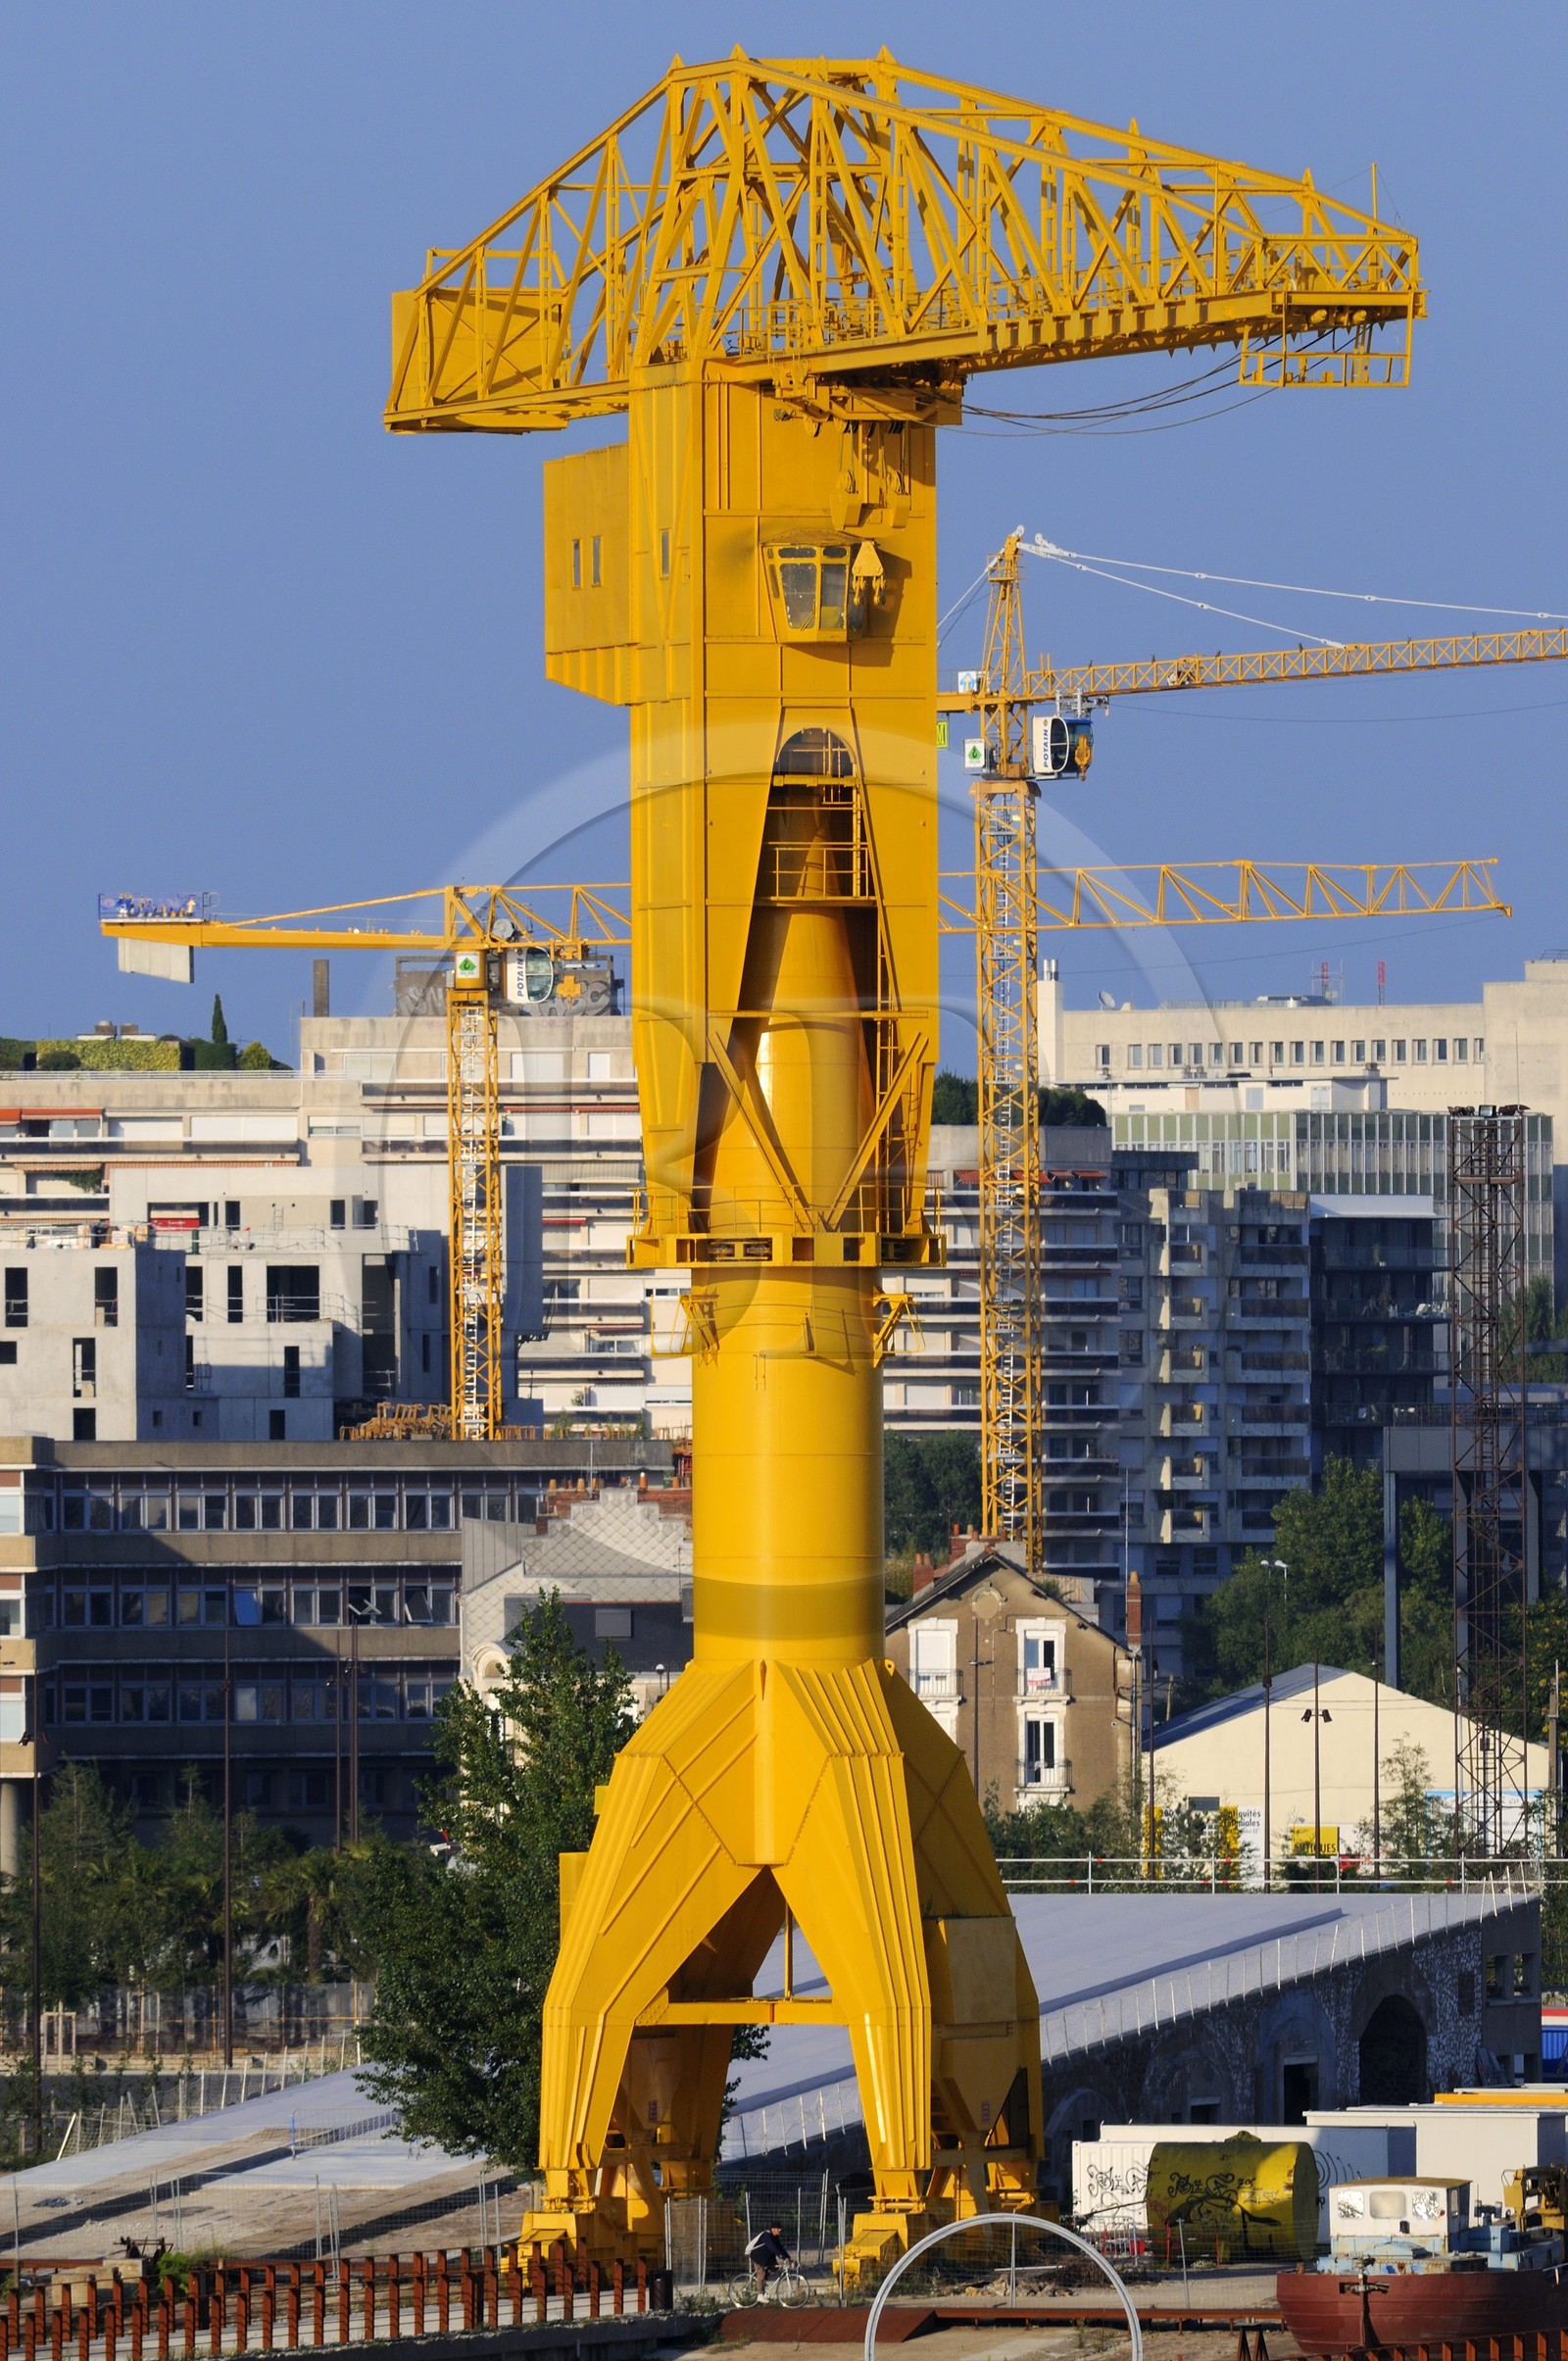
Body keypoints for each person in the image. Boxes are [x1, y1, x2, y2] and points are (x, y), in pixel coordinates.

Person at [746, 2221, 793, 2297]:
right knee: (761, 2273)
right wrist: (782, 2257)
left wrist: (787, 2257)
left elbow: (780, 2247)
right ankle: (760, 2295)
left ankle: (762, 2281)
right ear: (773, 2229)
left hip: (766, 2257)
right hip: (757, 2256)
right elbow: (772, 2248)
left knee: (775, 2267)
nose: (780, 2230)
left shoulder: (775, 2237)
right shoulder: (766, 2236)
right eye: (778, 2228)